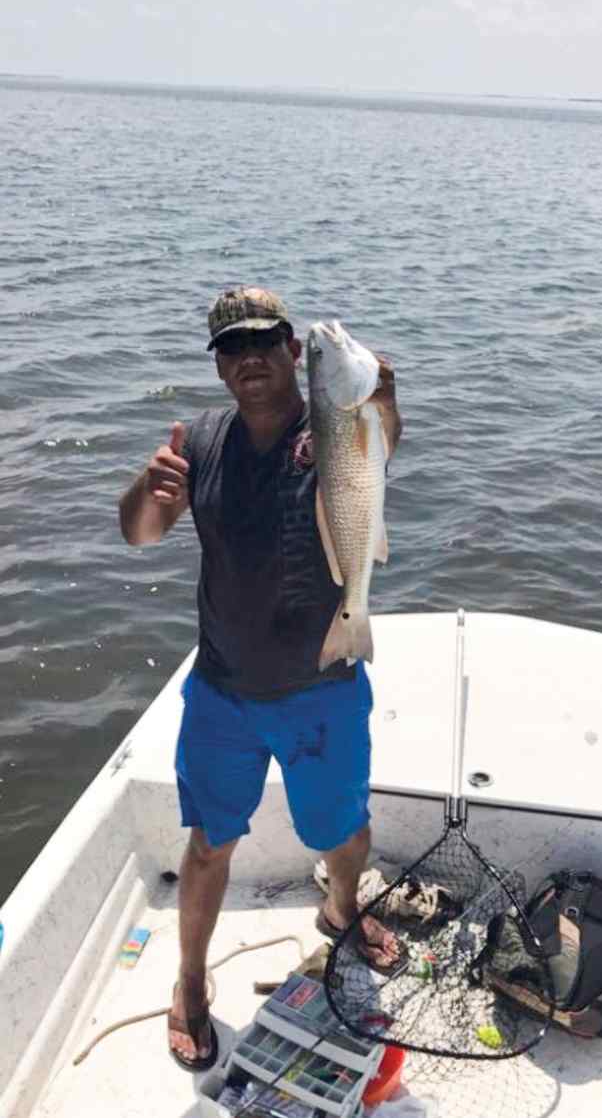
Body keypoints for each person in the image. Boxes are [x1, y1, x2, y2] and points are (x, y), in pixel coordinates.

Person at [119, 286, 403, 1071]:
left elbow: (384, 434)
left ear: (292, 352)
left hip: (324, 687)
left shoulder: (336, 425)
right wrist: (149, 490)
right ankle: (189, 981)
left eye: (264, 342)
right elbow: (139, 536)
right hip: (223, 695)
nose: (249, 359)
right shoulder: (199, 442)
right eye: (231, 348)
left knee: (343, 831)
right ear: (219, 368)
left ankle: (341, 912)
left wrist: (383, 394)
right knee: (209, 845)